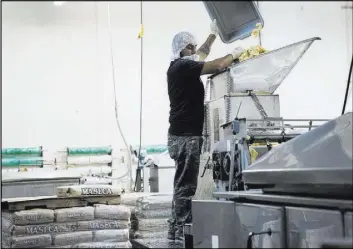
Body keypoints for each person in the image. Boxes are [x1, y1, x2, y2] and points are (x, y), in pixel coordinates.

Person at [166, 19, 245, 241]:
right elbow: (218, 65)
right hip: (186, 137)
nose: (193, 49)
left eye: (193, 45)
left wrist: (213, 34)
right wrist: (236, 54)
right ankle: (182, 233)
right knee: (186, 186)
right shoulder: (183, 66)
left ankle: (174, 230)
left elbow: (202, 52)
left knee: (181, 184)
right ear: (179, 49)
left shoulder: (181, 66)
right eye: (188, 46)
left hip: (180, 135)